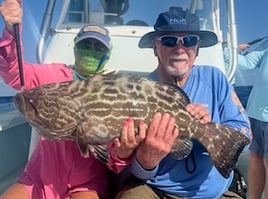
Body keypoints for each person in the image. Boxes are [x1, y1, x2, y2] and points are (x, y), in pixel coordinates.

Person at [113, 7, 251, 199]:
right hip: (156, 190)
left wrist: (212, 129)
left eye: (189, 40)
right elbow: (130, 169)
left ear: (197, 48)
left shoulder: (215, 78)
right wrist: (147, 161)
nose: (179, 49)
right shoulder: (138, 91)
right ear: (155, 47)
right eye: (169, 41)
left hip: (215, 194)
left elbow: (245, 135)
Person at [0, 0, 133, 198]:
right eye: (86, 44)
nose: (91, 50)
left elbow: (115, 158)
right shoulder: (51, 76)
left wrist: (123, 152)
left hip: (87, 183)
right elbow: (13, 72)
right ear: (76, 48)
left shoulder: (114, 90)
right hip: (38, 177)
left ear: (107, 54)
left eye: (98, 47)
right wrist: (11, 31)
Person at [227, 43, 268, 199]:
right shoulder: (265, 46)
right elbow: (244, 63)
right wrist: (231, 49)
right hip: (255, 115)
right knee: (255, 159)